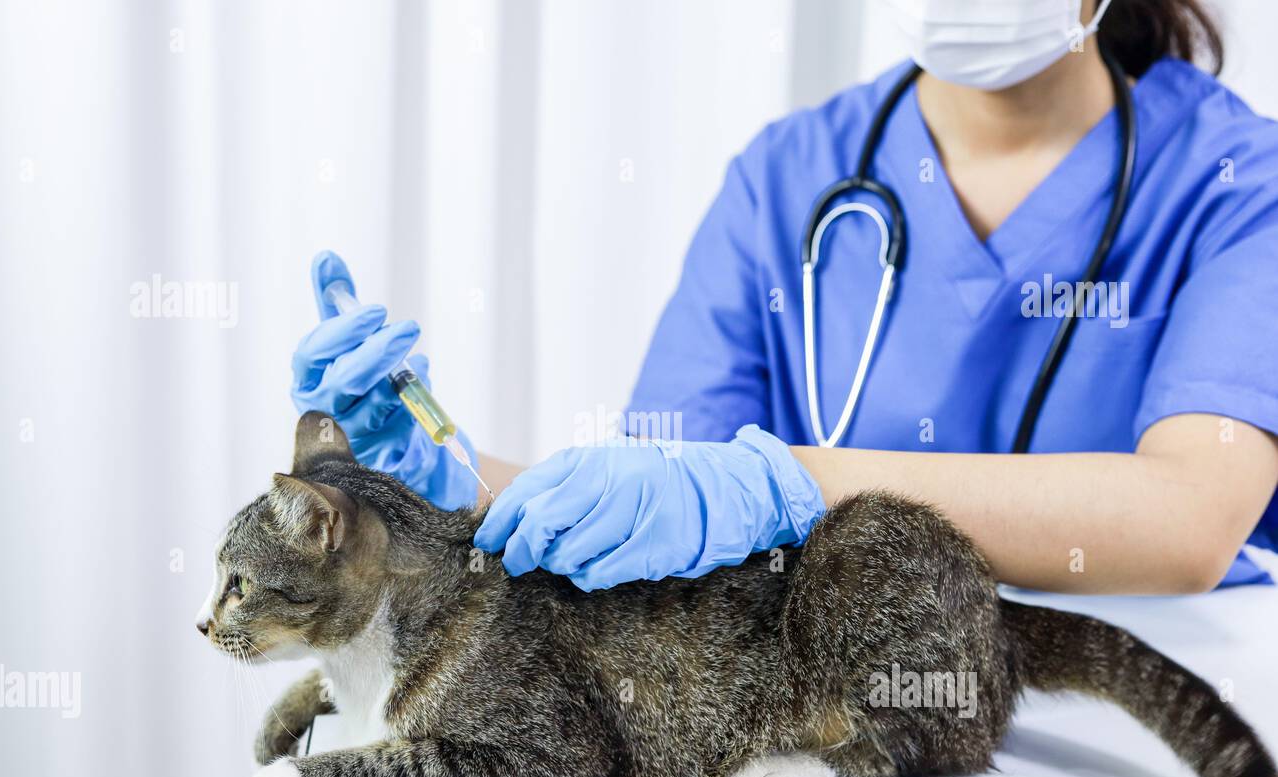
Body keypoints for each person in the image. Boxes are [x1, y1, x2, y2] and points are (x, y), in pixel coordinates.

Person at [293, 0, 1278, 596]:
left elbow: (1189, 517)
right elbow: (655, 499)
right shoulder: (788, 177)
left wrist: (795, 484)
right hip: (849, 731)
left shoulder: (1234, 181)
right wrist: (445, 474)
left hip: (1148, 732)